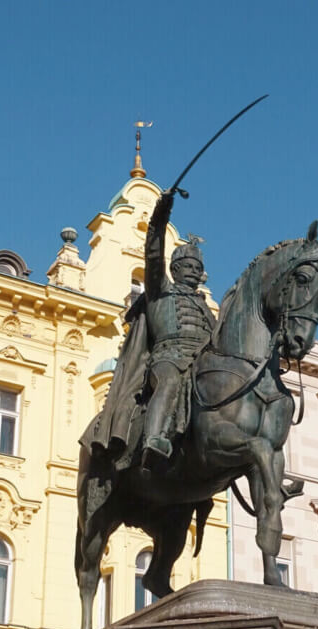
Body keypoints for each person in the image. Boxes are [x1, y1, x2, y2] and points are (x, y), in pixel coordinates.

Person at [139, 190, 215, 466]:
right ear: (174, 268)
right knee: (170, 382)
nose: (195, 271)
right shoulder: (160, 290)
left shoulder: (205, 305)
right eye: (189, 266)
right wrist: (161, 216)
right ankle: (153, 439)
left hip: (201, 363)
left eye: (198, 267)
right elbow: (153, 255)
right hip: (168, 357)